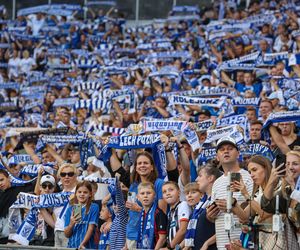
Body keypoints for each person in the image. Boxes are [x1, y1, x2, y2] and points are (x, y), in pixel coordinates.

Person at [206, 137, 253, 249]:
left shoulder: (248, 177)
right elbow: (213, 217)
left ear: (238, 153)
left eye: (230, 148)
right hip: (222, 244)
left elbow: (254, 210)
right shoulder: (217, 183)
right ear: (217, 157)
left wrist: (233, 206)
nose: (226, 151)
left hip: (243, 242)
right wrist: (210, 215)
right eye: (222, 149)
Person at [231, 155, 286, 249]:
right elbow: (244, 216)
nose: (251, 174)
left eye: (254, 170)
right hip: (264, 241)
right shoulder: (258, 192)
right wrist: (232, 201)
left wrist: (246, 194)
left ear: (266, 168)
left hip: (280, 241)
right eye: (250, 172)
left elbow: (263, 213)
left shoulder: (280, 188)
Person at [261, 149, 300, 249]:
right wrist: (271, 181)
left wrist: (293, 185)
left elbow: (298, 217)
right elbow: (266, 206)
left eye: (295, 164)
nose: (290, 167)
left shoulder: (291, 188)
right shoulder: (286, 191)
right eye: (287, 164)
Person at [184, 164, 222, 250]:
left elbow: (223, 228)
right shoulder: (202, 202)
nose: (196, 179)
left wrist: (207, 243)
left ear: (210, 178)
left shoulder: (218, 199)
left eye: (200, 176)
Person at [0, 169, 34, 244]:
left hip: (14, 240)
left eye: (2, 180)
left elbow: (37, 191)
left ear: (8, 178)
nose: (0, 183)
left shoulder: (21, 189)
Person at [64, 181, 99, 249]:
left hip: (87, 247)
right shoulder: (70, 209)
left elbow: (90, 228)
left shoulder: (94, 207)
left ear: (90, 194)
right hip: (72, 247)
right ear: (76, 194)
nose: (82, 194)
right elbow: (67, 235)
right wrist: (71, 224)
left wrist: (82, 244)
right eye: (79, 192)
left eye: (85, 192)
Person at [136, 182, 168, 249]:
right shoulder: (141, 214)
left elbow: (162, 238)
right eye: (142, 193)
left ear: (155, 196)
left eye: (148, 193)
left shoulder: (159, 213)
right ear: (138, 197)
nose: (145, 196)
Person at [162, 181, 191, 250]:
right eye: (164, 192)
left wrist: (169, 247)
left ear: (179, 192)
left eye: (171, 190)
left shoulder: (183, 205)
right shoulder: (170, 213)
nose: (168, 193)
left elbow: (183, 230)